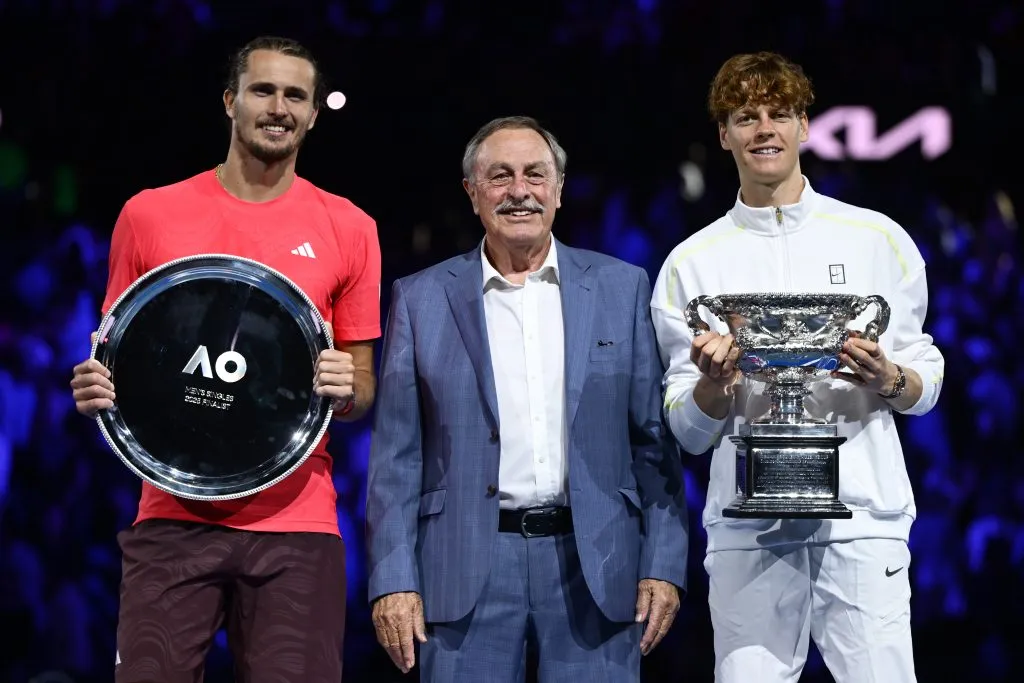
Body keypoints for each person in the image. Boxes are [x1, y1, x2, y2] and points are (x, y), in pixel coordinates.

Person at [68, 36, 381, 682]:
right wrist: (97, 383)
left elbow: (362, 391)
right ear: (231, 101)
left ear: (315, 113)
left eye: (296, 95)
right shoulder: (149, 214)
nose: (279, 107)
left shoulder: (350, 227)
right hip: (172, 514)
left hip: (298, 523)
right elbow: (121, 349)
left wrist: (347, 386)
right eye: (263, 90)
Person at [650, 51, 945, 682]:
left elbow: (924, 377)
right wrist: (713, 386)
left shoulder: (876, 238)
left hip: (865, 522)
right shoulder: (691, 264)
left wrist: (889, 379)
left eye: (779, 113)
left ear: (805, 125)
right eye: (746, 116)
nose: (764, 129)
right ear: (724, 133)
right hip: (747, 527)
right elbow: (687, 430)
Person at [365, 116, 687, 682]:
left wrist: (663, 563)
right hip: (464, 569)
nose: (519, 191)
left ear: (559, 190)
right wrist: (394, 577)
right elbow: (396, 459)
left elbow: (652, 442)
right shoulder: (419, 299)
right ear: (472, 193)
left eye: (536, 175)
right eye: (500, 176)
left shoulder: (622, 287)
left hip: (598, 567)